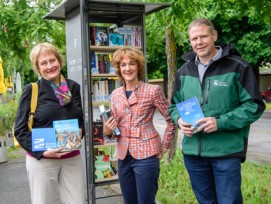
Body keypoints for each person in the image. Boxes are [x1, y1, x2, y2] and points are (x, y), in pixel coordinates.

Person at [169, 18, 266, 204]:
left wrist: (220, 122)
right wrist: (179, 120)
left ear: (214, 35)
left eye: (203, 36)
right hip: (193, 155)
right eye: (194, 38)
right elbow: (174, 105)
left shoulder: (238, 66)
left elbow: (254, 105)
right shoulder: (183, 71)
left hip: (226, 153)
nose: (199, 42)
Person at [14, 42, 85, 204]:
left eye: (52, 60)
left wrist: (81, 130)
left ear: (59, 61)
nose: (49, 66)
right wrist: (42, 152)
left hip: (71, 157)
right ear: (38, 68)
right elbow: (20, 130)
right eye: (43, 63)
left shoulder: (74, 87)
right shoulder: (32, 90)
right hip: (42, 159)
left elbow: (80, 118)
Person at [103, 47, 175, 204]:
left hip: (147, 154)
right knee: (129, 201)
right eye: (123, 65)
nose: (127, 68)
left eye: (132, 63)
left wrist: (165, 145)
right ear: (118, 68)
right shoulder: (115, 95)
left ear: (138, 66)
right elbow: (114, 128)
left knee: (146, 201)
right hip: (123, 154)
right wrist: (107, 131)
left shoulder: (152, 90)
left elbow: (171, 119)